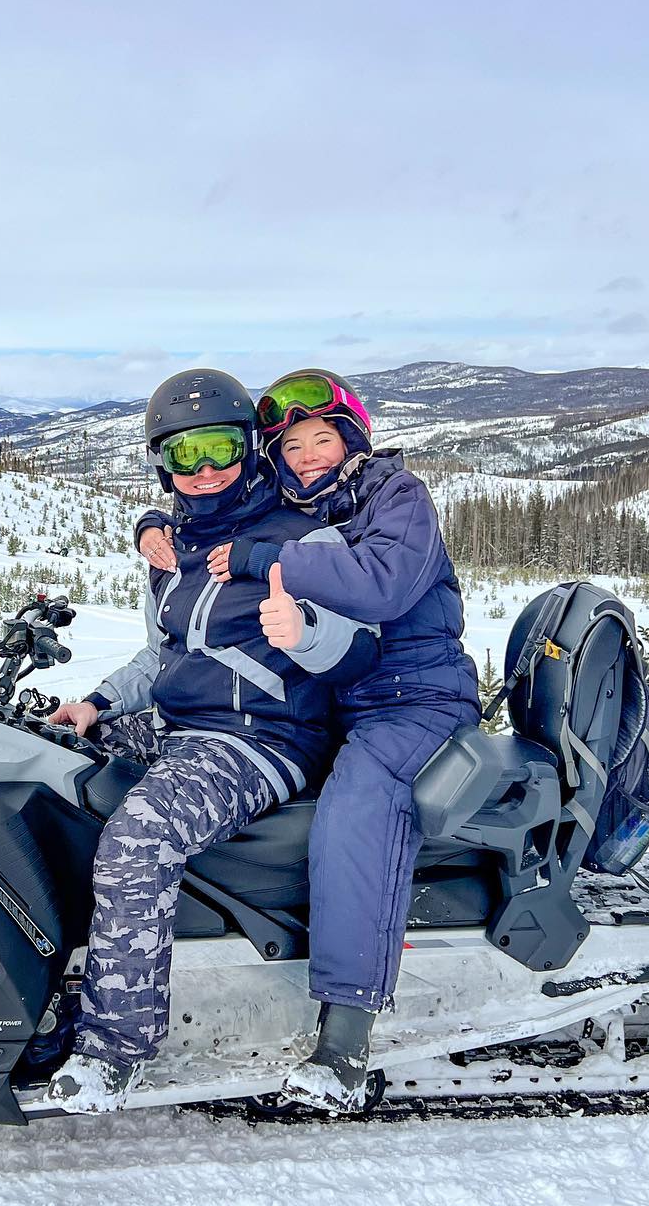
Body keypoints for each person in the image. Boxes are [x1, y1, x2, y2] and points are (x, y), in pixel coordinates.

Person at [138, 369, 478, 1112]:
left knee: (357, 808)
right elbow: (217, 506)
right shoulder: (302, 504)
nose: (307, 456)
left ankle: (346, 1037)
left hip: (410, 699)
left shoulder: (397, 496)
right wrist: (153, 526)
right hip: (336, 699)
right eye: (290, 446)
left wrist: (267, 561)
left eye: (322, 438)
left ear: (352, 437)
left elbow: (382, 583)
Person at [45, 368, 379, 1113]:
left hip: (261, 740)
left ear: (252, 448)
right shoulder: (172, 545)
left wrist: (310, 633)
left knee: (139, 837)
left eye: (221, 448)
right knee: (43, 762)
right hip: (178, 725)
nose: (205, 471)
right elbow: (167, 652)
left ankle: (115, 1047)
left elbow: (360, 648)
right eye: (185, 453)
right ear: (160, 461)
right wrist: (97, 704)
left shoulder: (300, 538)